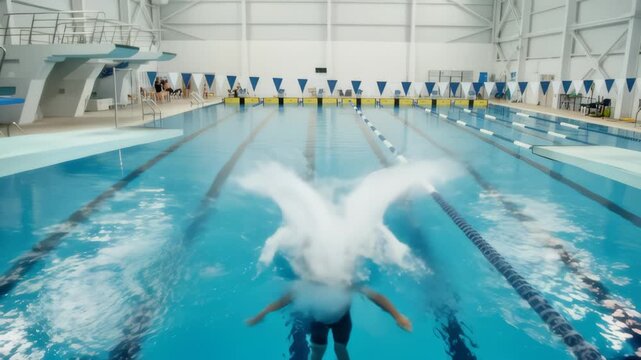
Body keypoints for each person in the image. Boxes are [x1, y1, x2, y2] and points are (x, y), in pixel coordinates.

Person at [246, 282, 412, 360]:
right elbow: (283, 301)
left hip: (342, 321)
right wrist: (262, 313)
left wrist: (397, 315)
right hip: (319, 322)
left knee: (340, 349)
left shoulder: (346, 281)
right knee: (317, 352)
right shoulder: (306, 283)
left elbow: (376, 297)